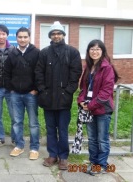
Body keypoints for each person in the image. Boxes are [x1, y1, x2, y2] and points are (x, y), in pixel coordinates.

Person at [35, 21, 82, 170]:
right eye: (53, 33)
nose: (56, 36)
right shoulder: (44, 53)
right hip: (48, 98)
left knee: (62, 129)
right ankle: (52, 155)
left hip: (64, 99)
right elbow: (38, 73)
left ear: (63, 35)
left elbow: (76, 74)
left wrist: (68, 91)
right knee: (50, 128)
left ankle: (63, 157)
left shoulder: (72, 52)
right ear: (50, 36)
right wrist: (42, 90)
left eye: (59, 33)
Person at [77, 39, 119, 175]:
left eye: (98, 49)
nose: (95, 52)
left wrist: (90, 106)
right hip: (89, 108)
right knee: (92, 139)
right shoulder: (88, 67)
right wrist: (81, 101)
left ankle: (102, 165)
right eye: (92, 49)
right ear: (88, 51)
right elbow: (83, 88)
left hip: (102, 110)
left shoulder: (107, 68)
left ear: (102, 51)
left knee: (102, 139)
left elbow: (105, 92)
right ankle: (93, 162)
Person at [4, 27, 40, 159]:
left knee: (33, 123)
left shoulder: (36, 53)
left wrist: (35, 89)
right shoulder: (12, 53)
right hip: (15, 94)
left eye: (25, 37)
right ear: (16, 38)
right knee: (17, 122)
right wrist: (11, 88)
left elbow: (40, 73)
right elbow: (6, 73)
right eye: (20, 37)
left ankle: (34, 148)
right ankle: (19, 145)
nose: (22, 39)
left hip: (31, 94)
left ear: (29, 38)